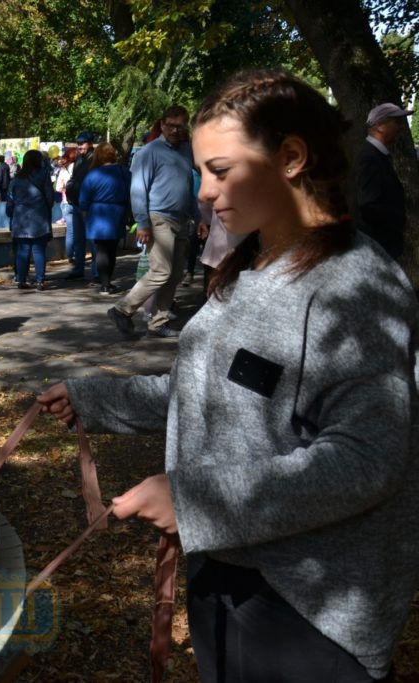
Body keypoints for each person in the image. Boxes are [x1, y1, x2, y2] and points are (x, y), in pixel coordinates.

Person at [39, 68, 419, 683]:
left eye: (220, 170)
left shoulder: (358, 288)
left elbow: (365, 461)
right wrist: (93, 400)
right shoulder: (249, 264)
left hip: (308, 609)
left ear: (291, 157)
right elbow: (204, 390)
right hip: (225, 567)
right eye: (202, 174)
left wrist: (193, 501)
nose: (205, 194)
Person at [108, 105, 197, 339]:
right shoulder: (149, 152)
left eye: (180, 126)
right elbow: (138, 189)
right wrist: (143, 222)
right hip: (158, 217)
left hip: (182, 219)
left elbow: (188, 187)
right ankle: (121, 309)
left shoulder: (186, 151)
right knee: (161, 271)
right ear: (162, 124)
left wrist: (200, 217)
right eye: (171, 125)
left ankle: (159, 322)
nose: (176, 130)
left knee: (176, 273)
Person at [348, 102, 412, 260]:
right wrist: (398, 220)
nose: (401, 127)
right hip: (376, 247)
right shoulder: (370, 158)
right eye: (396, 122)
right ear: (380, 126)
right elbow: (369, 204)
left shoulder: (376, 156)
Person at [78, 142, 131, 295]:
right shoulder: (123, 171)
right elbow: (131, 191)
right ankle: (108, 282)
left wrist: (85, 212)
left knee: (101, 250)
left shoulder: (92, 174)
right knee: (112, 249)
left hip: (97, 214)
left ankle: (105, 284)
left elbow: (83, 199)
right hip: (117, 213)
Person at [7, 150, 54, 290]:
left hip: (21, 220)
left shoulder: (16, 179)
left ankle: (21, 280)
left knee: (23, 250)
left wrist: (11, 213)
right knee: (39, 251)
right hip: (39, 218)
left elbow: (10, 200)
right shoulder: (44, 175)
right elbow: (50, 197)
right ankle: (40, 281)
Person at [64, 132, 98, 281]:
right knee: (79, 239)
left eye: (82, 143)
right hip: (75, 203)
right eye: (78, 144)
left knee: (92, 240)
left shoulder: (95, 159)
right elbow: (75, 178)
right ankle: (78, 268)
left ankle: (96, 272)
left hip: (88, 205)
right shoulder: (79, 159)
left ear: (90, 143)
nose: (80, 146)